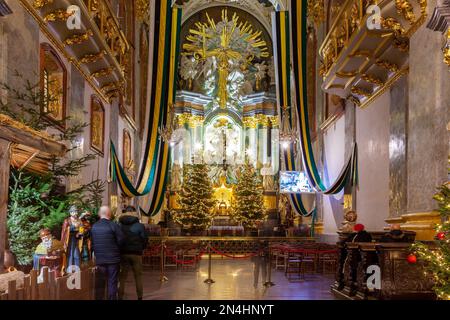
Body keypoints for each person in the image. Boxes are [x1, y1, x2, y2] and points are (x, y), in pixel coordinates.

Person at [91, 206, 125, 300]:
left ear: (99, 214)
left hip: (100, 259)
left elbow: (92, 243)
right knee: (112, 282)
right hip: (113, 260)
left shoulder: (94, 226)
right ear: (109, 214)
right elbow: (121, 240)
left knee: (100, 283)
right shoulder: (113, 225)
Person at [118, 206, 149, 300]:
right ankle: (140, 297)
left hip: (123, 253)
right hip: (136, 254)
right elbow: (145, 239)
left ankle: (120, 297)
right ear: (134, 213)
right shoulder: (139, 225)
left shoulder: (119, 225)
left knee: (122, 277)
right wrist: (142, 248)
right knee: (138, 276)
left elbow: (117, 239)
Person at [61, 206, 82, 270]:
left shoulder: (79, 220)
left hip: (76, 239)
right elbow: (64, 231)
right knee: (70, 254)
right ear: (70, 213)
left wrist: (80, 232)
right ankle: (69, 268)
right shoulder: (67, 221)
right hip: (69, 239)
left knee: (77, 254)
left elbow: (82, 229)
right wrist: (72, 228)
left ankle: (77, 268)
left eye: (76, 211)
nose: (75, 213)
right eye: (74, 212)